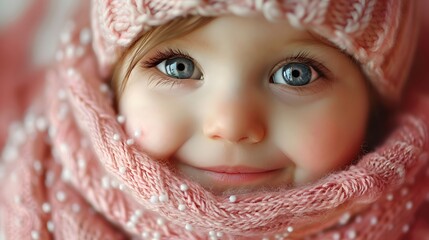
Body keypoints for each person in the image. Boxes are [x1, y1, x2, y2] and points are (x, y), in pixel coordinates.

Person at [0, 0, 428, 239]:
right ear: (110, 86)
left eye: (295, 75)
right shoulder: (32, 185)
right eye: (178, 67)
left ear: (373, 105)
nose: (230, 124)